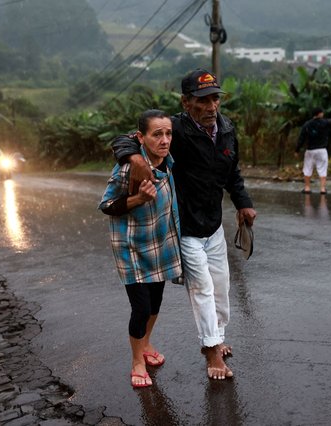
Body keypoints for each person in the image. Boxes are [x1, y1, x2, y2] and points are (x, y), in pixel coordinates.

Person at [112, 69, 256, 380]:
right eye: (202, 100)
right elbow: (125, 139)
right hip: (185, 228)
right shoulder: (173, 130)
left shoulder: (227, 129)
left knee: (221, 287)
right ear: (186, 102)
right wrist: (134, 158)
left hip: (213, 225)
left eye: (214, 98)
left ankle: (217, 335)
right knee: (201, 288)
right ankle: (211, 350)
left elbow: (233, 174)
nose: (210, 106)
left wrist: (243, 202)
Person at [99, 109, 182, 389]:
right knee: (141, 307)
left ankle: (146, 344)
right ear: (141, 137)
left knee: (155, 303)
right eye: (156, 134)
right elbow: (106, 205)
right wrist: (137, 199)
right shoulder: (128, 168)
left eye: (168, 133)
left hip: (160, 246)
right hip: (131, 249)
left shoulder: (168, 162)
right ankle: (137, 360)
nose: (164, 139)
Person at [295, 107, 331, 194]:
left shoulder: (307, 124)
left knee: (307, 169)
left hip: (310, 150)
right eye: (322, 112)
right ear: (319, 114)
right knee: (322, 169)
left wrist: (297, 150)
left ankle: (307, 188)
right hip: (321, 150)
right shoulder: (325, 122)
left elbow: (301, 138)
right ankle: (322, 189)